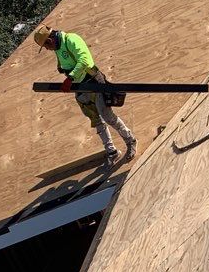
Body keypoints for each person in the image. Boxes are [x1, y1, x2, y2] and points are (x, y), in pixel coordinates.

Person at [32, 24, 136, 167]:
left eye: (46, 46)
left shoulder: (71, 39)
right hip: (79, 87)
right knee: (95, 120)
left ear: (50, 40)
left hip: (92, 82)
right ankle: (111, 152)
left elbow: (85, 61)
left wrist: (70, 78)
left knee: (107, 116)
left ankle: (130, 140)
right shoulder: (58, 48)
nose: (47, 49)